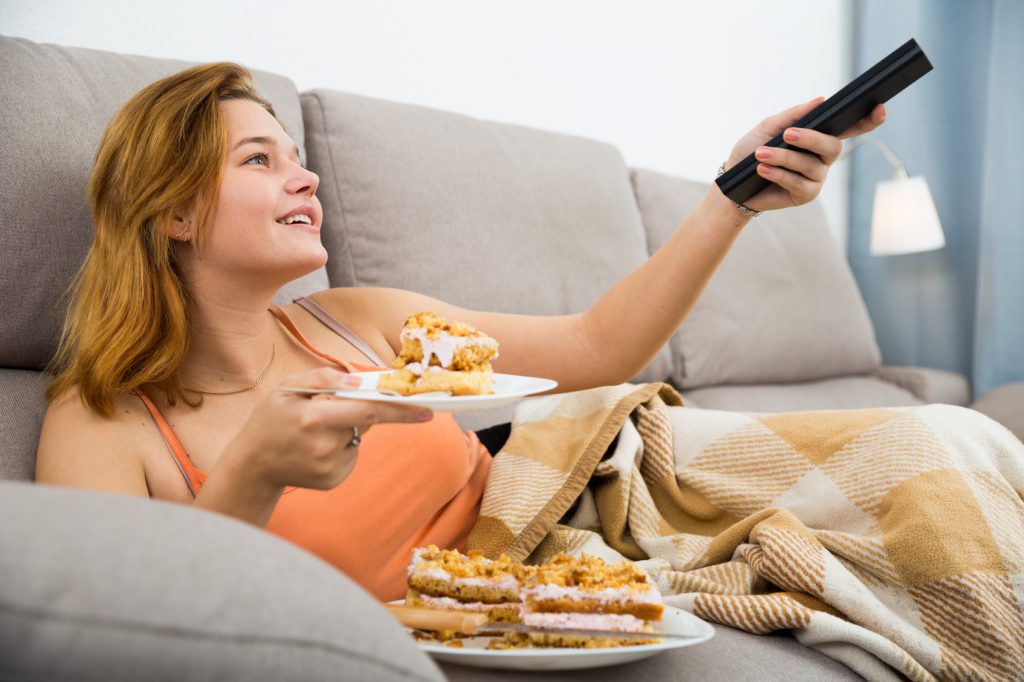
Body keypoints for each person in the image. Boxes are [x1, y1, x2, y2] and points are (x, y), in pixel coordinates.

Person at [35, 62, 885, 601]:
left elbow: (597, 351)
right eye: (260, 160)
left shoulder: (352, 320)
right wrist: (252, 475)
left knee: (933, 455)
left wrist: (732, 199)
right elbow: (118, 636)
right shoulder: (102, 415)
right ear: (174, 210)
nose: (307, 177)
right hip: (465, 617)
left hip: (582, 511)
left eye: (297, 156)